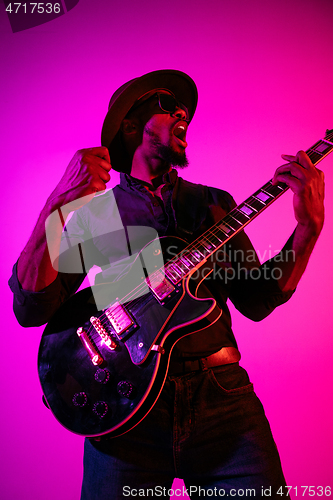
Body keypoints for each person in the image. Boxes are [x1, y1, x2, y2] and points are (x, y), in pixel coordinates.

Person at [9, 70, 324, 499]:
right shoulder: (94, 214)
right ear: (130, 124)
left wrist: (308, 229)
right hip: (125, 412)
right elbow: (32, 308)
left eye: (185, 110)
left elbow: (258, 299)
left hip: (223, 403)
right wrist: (57, 203)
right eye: (166, 104)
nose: (183, 112)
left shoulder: (214, 204)